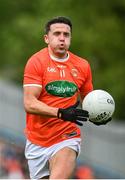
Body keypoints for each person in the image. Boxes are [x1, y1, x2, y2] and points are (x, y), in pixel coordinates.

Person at [23, 16, 93, 179]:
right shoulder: (36, 62)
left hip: (67, 137)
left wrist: (99, 114)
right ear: (47, 38)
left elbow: (89, 99)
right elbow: (29, 103)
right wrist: (60, 112)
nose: (62, 38)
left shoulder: (82, 65)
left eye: (66, 35)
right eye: (57, 34)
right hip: (36, 140)